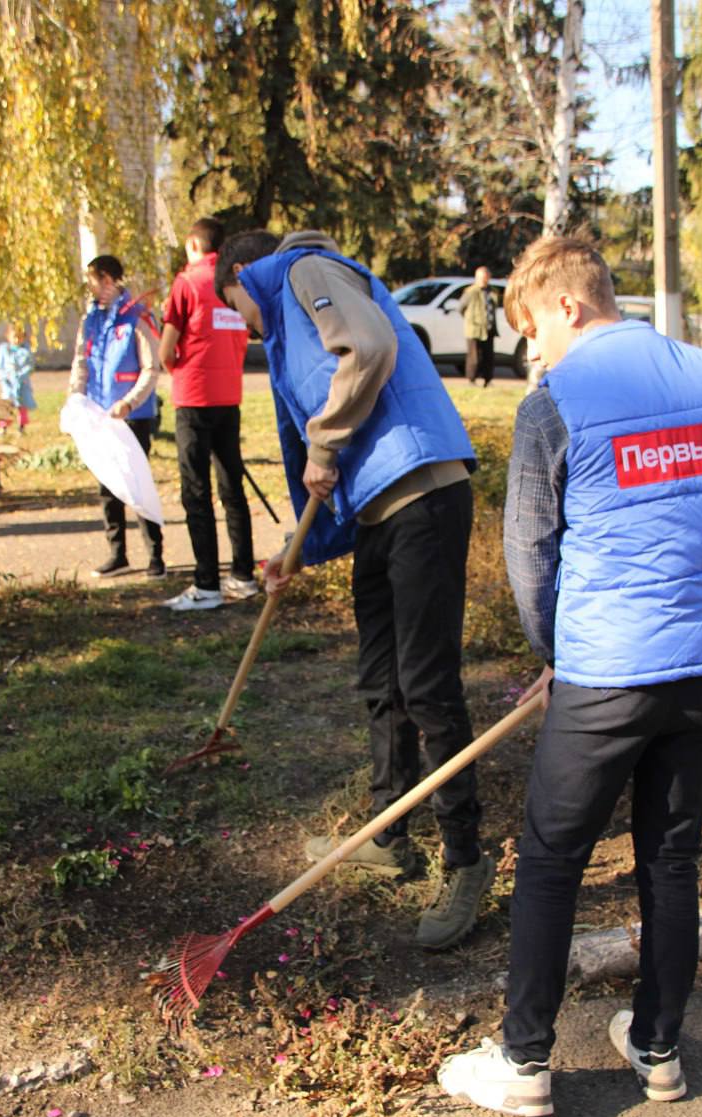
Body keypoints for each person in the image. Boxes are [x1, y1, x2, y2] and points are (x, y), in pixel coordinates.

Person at [438, 236, 702, 1117]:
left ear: (568, 306)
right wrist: (696, 570)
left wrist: (557, 652)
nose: (532, 354)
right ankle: (657, 1051)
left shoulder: (554, 403)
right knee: (670, 858)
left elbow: (530, 559)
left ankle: (524, 1061)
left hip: (607, 668)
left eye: (532, 332)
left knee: (549, 860)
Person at [214, 228, 489, 950]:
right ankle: (387, 833)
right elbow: (322, 474)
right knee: (380, 681)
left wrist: (326, 439)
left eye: (235, 307)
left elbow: (367, 351)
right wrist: (291, 553)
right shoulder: (285, 328)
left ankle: (465, 859)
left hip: (421, 492)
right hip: (376, 506)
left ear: (242, 274)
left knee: (426, 685)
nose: (243, 325)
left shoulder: (305, 270)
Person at [159, 216, 256, 612]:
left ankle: (206, 583)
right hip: (228, 396)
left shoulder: (188, 282)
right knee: (232, 487)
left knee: (196, 492)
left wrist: (178, 371)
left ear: (193, 245)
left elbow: (167, 348)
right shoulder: (233, 283)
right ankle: (244, 575)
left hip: (194, 397)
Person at [70, 255, 164, 579]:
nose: (91, 287)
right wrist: (75, 397)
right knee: (108, 486)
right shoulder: (91, 320)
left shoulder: (137, 318)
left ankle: (155, 556)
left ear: (108, 279)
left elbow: (152, 367)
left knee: (136, 483)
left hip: (133, 415)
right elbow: (82, 361)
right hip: (99, 414)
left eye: (94, 280)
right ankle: (117, 553)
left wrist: (129, 402)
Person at [459, 266, 499, 387]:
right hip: (474, 329)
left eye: (485, 277)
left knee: (488, 356)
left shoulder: (493, 291)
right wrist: (471, 320)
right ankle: (472, 379)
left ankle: (488, 379)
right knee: (474, 357)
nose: (483, 280)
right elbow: (461, 308)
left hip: (489, 329)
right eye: (481, 278)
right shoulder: (470, 292)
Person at [0, 323, 36, 435]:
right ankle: (3, 427)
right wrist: (5, 377)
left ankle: (21, 427)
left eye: (20, 337)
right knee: (6, 406)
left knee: (22, 406)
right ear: (8, 336)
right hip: (8, 384)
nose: (17, 340)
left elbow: (30, 366)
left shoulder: (25, 351)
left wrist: (21, 375)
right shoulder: (4, 350)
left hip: (22, 383)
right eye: (14, 337)